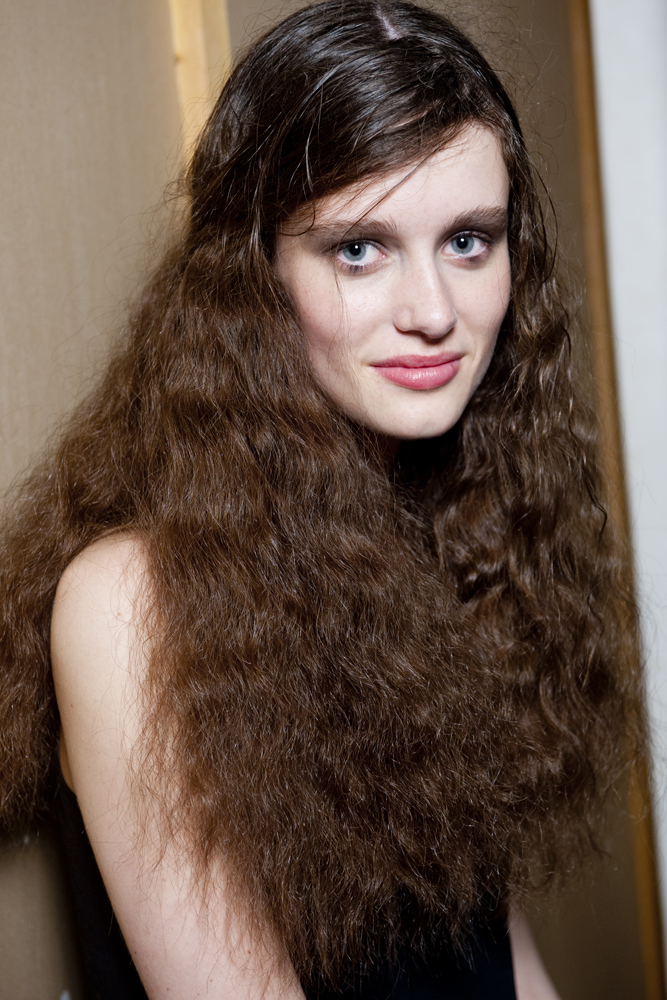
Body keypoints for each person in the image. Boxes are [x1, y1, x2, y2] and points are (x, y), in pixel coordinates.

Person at [0, 1, 640, 997]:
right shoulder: (132, 603)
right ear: (252, 276)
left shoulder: (452, 520)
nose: (434, 311)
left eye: (468, 241)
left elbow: (488, 941)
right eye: (358, 249)